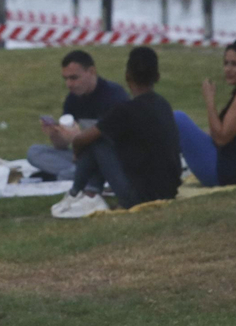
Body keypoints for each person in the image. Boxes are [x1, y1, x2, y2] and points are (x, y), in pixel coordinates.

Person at [52, 46, 182, 217]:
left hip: (139, 197)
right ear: (157, 77)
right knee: (100, 139)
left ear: (127, 76)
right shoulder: (163, 104)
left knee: (96, 140)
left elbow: (82, 140)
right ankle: (88, 192)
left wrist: (76, 150)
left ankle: (78, 193)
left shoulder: (124, 110)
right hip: (170, 189)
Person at [172, 39, 236, 187]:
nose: (228, 69)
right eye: (226, 63)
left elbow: (221, 138)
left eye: (235, 64)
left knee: (178, 118)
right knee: (188, 128)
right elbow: (221, 135)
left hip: (225, 173)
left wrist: (209, 101)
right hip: (235, 171)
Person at [26, 50, 130, 183]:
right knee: (34, 152)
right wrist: (55, 134)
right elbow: (62, 145)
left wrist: (79, 138)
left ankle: (71, 175)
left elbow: (118, 143)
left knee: (82, 168)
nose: (69, 84)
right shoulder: (73, 99)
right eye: (66, 79)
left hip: (115, 158)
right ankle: (78, 173)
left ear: (91, 71)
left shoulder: (114, 95)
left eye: (74, 78)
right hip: (87, 157)